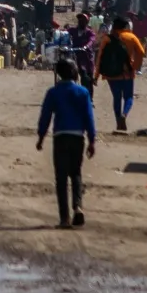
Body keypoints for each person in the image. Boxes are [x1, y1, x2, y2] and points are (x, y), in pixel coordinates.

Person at [37, 56, 96, 228]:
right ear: (73, 72)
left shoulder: (53, 92)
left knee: (61, 178)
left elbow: (45, 117)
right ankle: (78, 207)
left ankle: (64, 219)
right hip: (78, 137)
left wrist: (41, 137)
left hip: (60, 137)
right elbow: (89, 117)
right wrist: (92, 140)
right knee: (76, 173)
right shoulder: (83, 92)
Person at [95, 15, 146, 132]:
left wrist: (96, 76)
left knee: (116, 97)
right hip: (127, 74)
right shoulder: (131, 37)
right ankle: (124, 114)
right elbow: (141, 52)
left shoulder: (107, 39)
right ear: (126, 26)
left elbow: (100, 58)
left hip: (111, 75)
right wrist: (135, 67)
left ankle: (118, 120)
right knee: (128, 97)